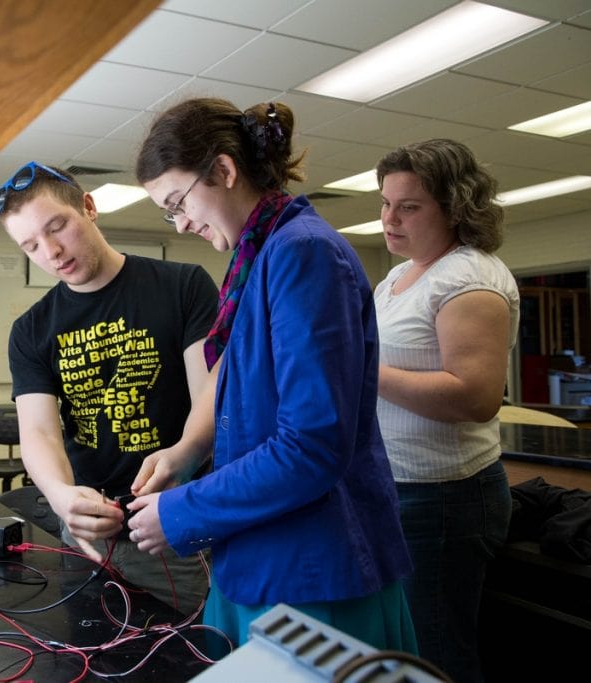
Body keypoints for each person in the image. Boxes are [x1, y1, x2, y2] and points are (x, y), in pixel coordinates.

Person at [128, 98, 417, 652]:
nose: (181, 223)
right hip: (262, 558)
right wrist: (184, 454)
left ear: (224, 170)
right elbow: (243, 395)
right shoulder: (259, 259)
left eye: (177, 203)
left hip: (311, 572)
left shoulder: (303, 254)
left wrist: (183, 510)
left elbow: (311, 447)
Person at [0, 161, 218, 614]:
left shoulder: (183, 285)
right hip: (92, 530)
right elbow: (38, 432)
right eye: (31, 246)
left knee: (204, 650)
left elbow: (209, 393)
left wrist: (185, 454)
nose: (51, 252)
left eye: (58, 227)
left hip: (181, 520)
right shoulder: (31, 330)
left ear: (89, 208)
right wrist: (60, 496)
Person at [373, 138, 519, 682]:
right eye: (385, 202)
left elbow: (475, 397)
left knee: (435, 655)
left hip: (442, 498)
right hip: (399, 489)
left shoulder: (470, 278)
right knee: (408, 647)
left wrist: (361, 371)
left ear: (456, 207)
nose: (390, 218)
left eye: (409, 206)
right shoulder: (398, 277)